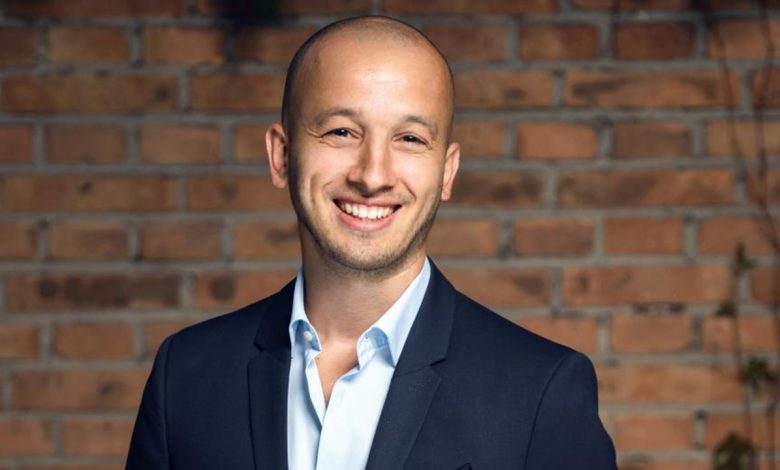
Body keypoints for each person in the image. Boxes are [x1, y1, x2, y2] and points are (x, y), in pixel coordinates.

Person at [126, 15, 617, 470]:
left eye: (410, 139)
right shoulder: (184, 376)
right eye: (341, 131)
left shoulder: (541, 392)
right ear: (282, 155)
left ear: (446, 172)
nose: (373, 175)